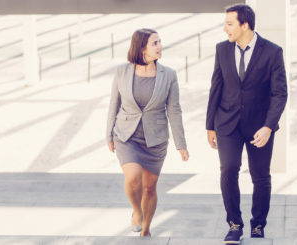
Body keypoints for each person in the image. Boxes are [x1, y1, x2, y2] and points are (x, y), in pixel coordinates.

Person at [205, 4, 287, 244]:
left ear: (245, 25)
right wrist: (210, 125)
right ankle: (234, 224)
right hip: (226, 123)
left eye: (229, 23)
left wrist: (269, 126)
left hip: (260, 126)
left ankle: (258, 225)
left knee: (260, 176)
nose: (225, 28)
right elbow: (216, 87)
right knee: (228, 169)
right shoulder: (222, 50)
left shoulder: (272, 51)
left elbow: (279, 93)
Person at [106, 28, 189, 237]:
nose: (160, 46)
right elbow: (113, 105)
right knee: (133, 178)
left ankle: (146, 229)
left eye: (160, 42)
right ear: (141, 47)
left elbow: (174, 110)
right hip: (127, 136)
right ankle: (136, 211)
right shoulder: (122, 72)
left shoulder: (168, 75)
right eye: (155, 43)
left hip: (156, 139)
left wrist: (181, 144)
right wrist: (108, 134)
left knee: (149, 188)